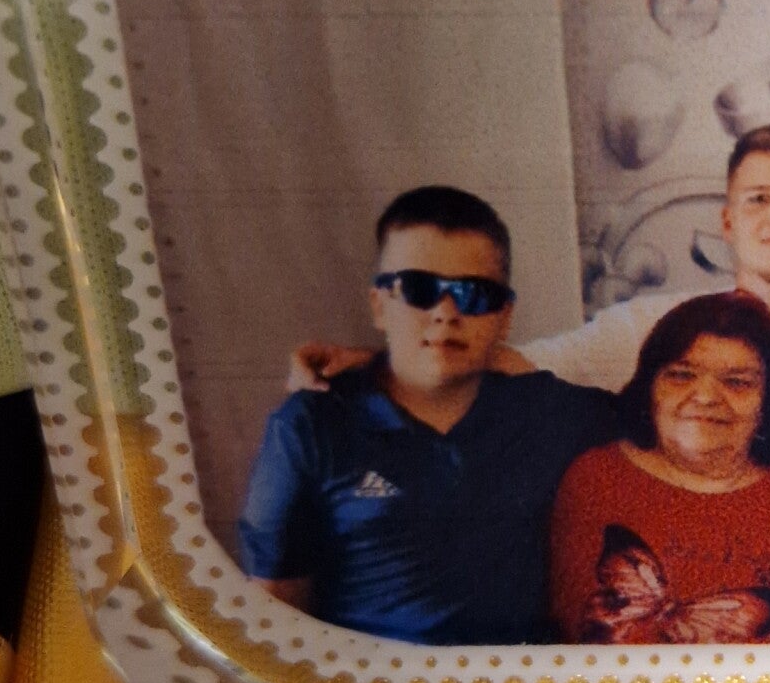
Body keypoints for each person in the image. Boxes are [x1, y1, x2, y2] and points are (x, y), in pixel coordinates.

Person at [290, 123, 770, 429]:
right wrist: (380, 364)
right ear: (728, 222)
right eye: (759, 199)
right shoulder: (652, 325)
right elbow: (514, 366)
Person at [237, 186, 618, 644]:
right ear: (380, 305)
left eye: (474, 295)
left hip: (521, 682)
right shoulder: (310, 426)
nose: (445, 312)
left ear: (504, 316)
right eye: (419, 289)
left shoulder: (552, 413)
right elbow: (276, 614)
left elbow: (672, 416)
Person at [549, 292, 770, 644]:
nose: (706, 396)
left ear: (768, 400)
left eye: (737, 382)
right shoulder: (597, 479)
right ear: (650, 388)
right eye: (681, 375)